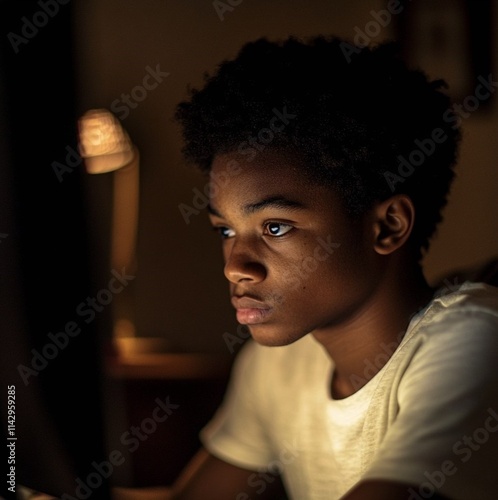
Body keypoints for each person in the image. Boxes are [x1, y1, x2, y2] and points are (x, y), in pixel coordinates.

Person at [164, 35, 498, 499]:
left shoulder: (474, 338)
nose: (235, 267)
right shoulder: (276, 363)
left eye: (276, 227)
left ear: (387, 227)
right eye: (225, 230)